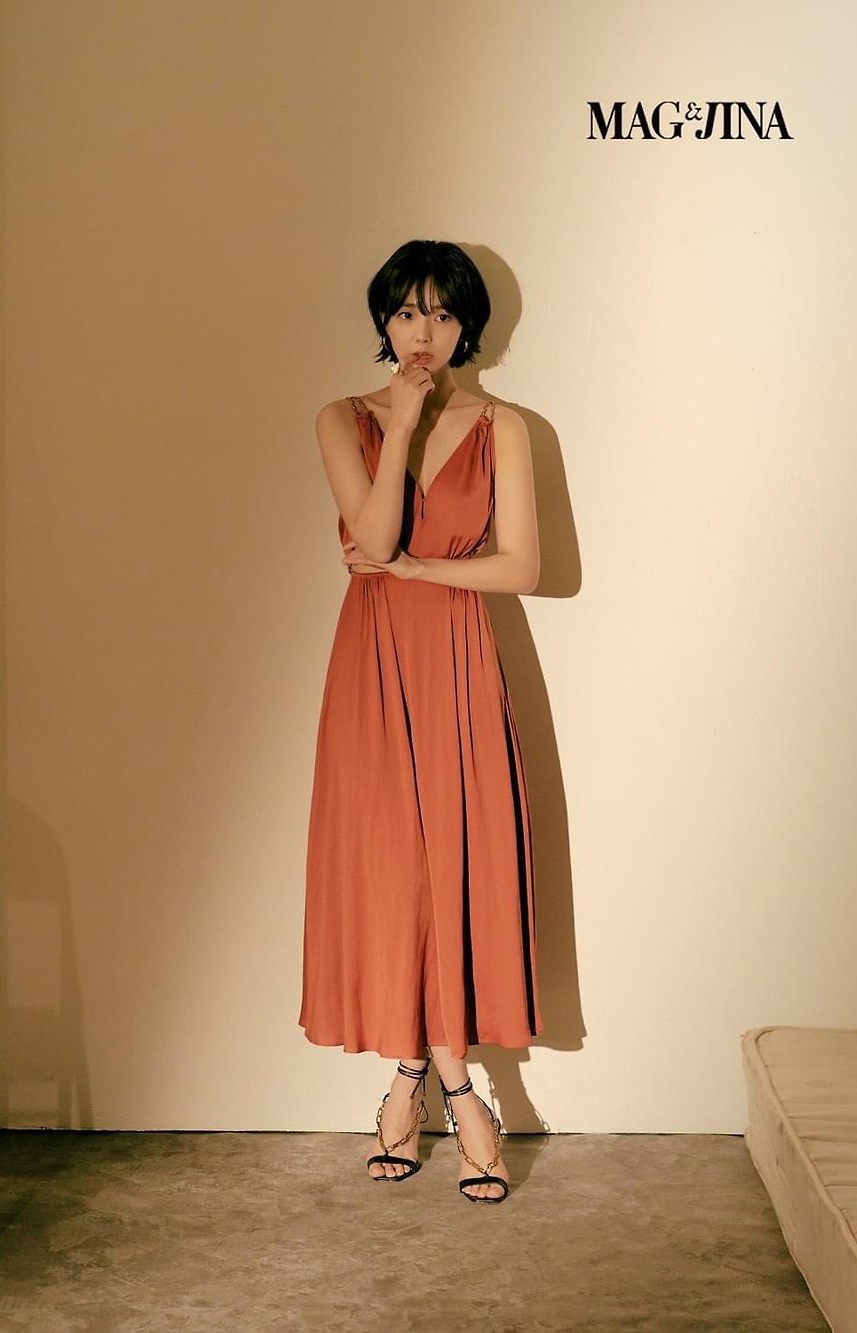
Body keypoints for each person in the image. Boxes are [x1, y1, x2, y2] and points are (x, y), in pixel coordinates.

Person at [298, 239, 542, 1203]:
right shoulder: (341, 419)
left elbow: (521, 567)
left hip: (456, 655)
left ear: (468, 323)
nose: (423, 332)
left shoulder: (505, 427)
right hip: (372, 665)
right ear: (383, 321)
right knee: (395, 870)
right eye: (406, 312)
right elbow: (373, 533)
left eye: (442, 313)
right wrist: (399, 422)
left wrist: (416, 572)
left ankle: (415, 1077)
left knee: (456, 866)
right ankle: (454, 1082)